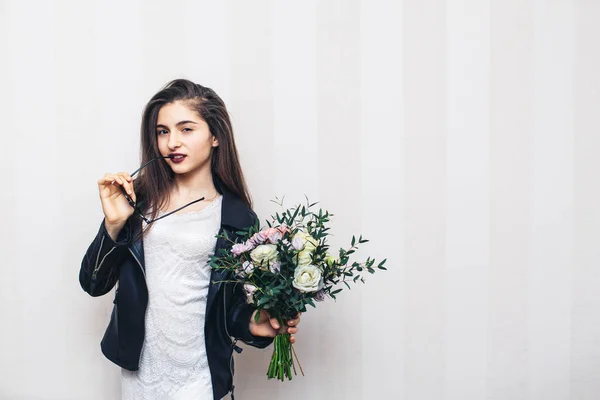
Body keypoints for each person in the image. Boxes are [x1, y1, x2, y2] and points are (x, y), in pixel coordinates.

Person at [79, 79, 301, 400]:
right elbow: (93, 283)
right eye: (163, 131)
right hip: (138, 371)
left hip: (199, 372)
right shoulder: (136, 201)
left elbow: (231, 305)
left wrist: (255, 324)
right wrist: (114, 224)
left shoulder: (237, 218)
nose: (172, 143)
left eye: (186, 129)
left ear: (214, 136)